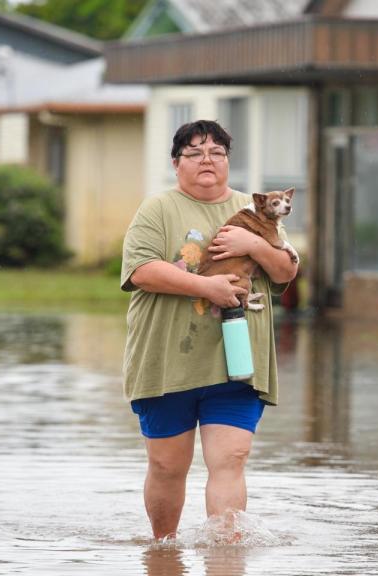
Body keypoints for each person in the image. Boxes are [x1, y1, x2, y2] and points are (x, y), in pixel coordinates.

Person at [120, 120, 298, 540]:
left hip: (235, 361)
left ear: (228, 162)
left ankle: (225, 555)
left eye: (217, 152)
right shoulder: (157, 208)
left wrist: (253, 246)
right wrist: (207, 287)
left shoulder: (257, 209)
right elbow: (142, 271)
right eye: (195, 152)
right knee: (167, 466)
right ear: (175, 163)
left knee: (231, 457)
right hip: (168, 362)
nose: (207, 160)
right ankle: (163, 552)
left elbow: (286, 270)